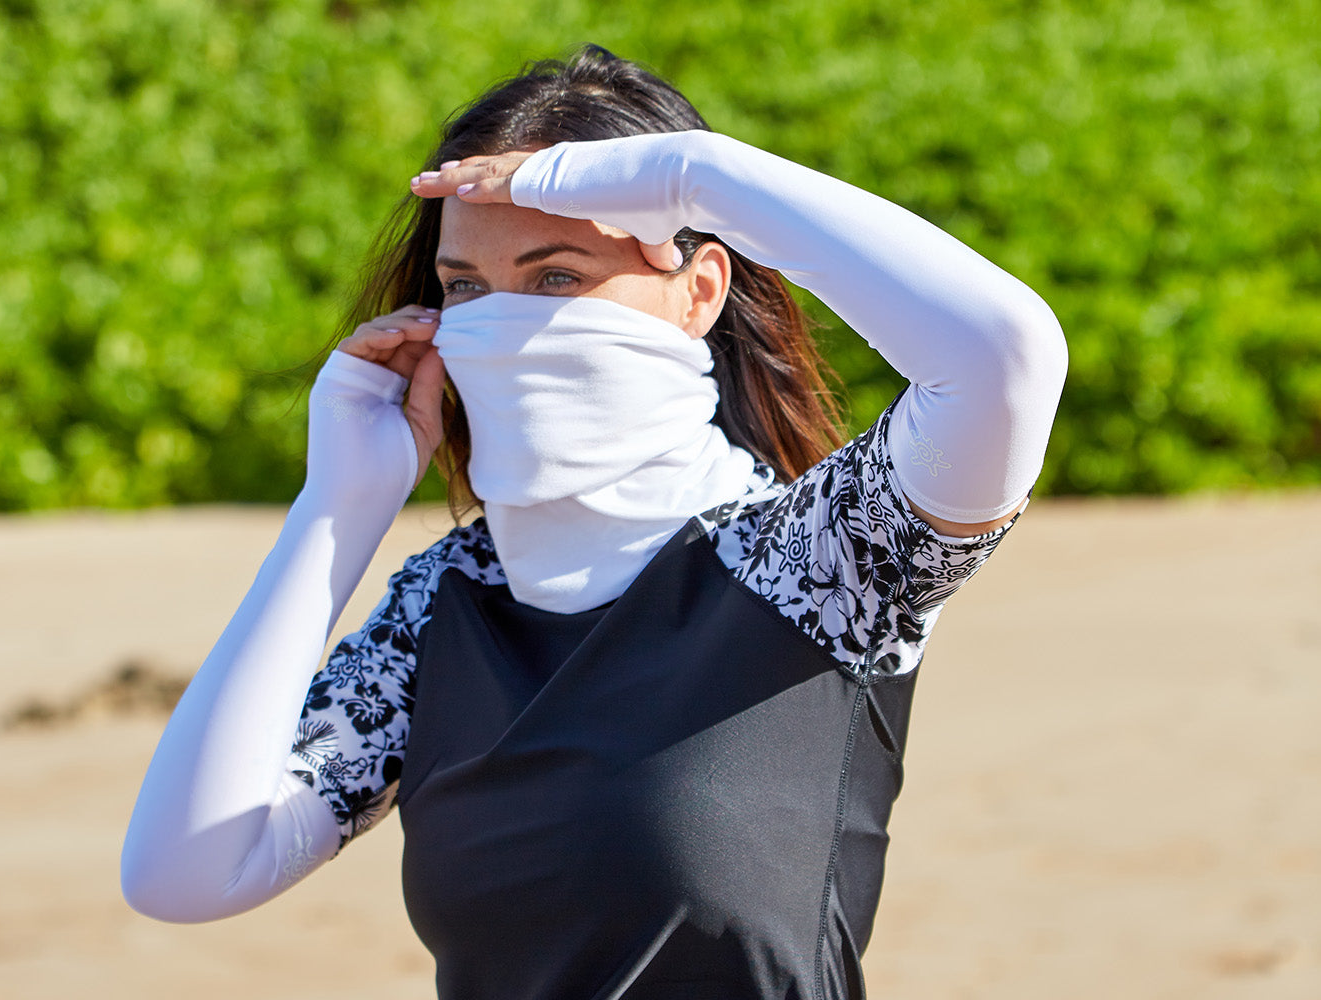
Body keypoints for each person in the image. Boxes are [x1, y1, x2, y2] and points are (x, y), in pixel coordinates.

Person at [120, 44, 1067, 999]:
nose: (501, 325)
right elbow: (186, 871)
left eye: (559, 277)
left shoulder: (812, 562)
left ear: (699, 291)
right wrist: (336, 511)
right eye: (466, 289)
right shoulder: (445, 604)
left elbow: (1004, 360)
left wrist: (690, 171)